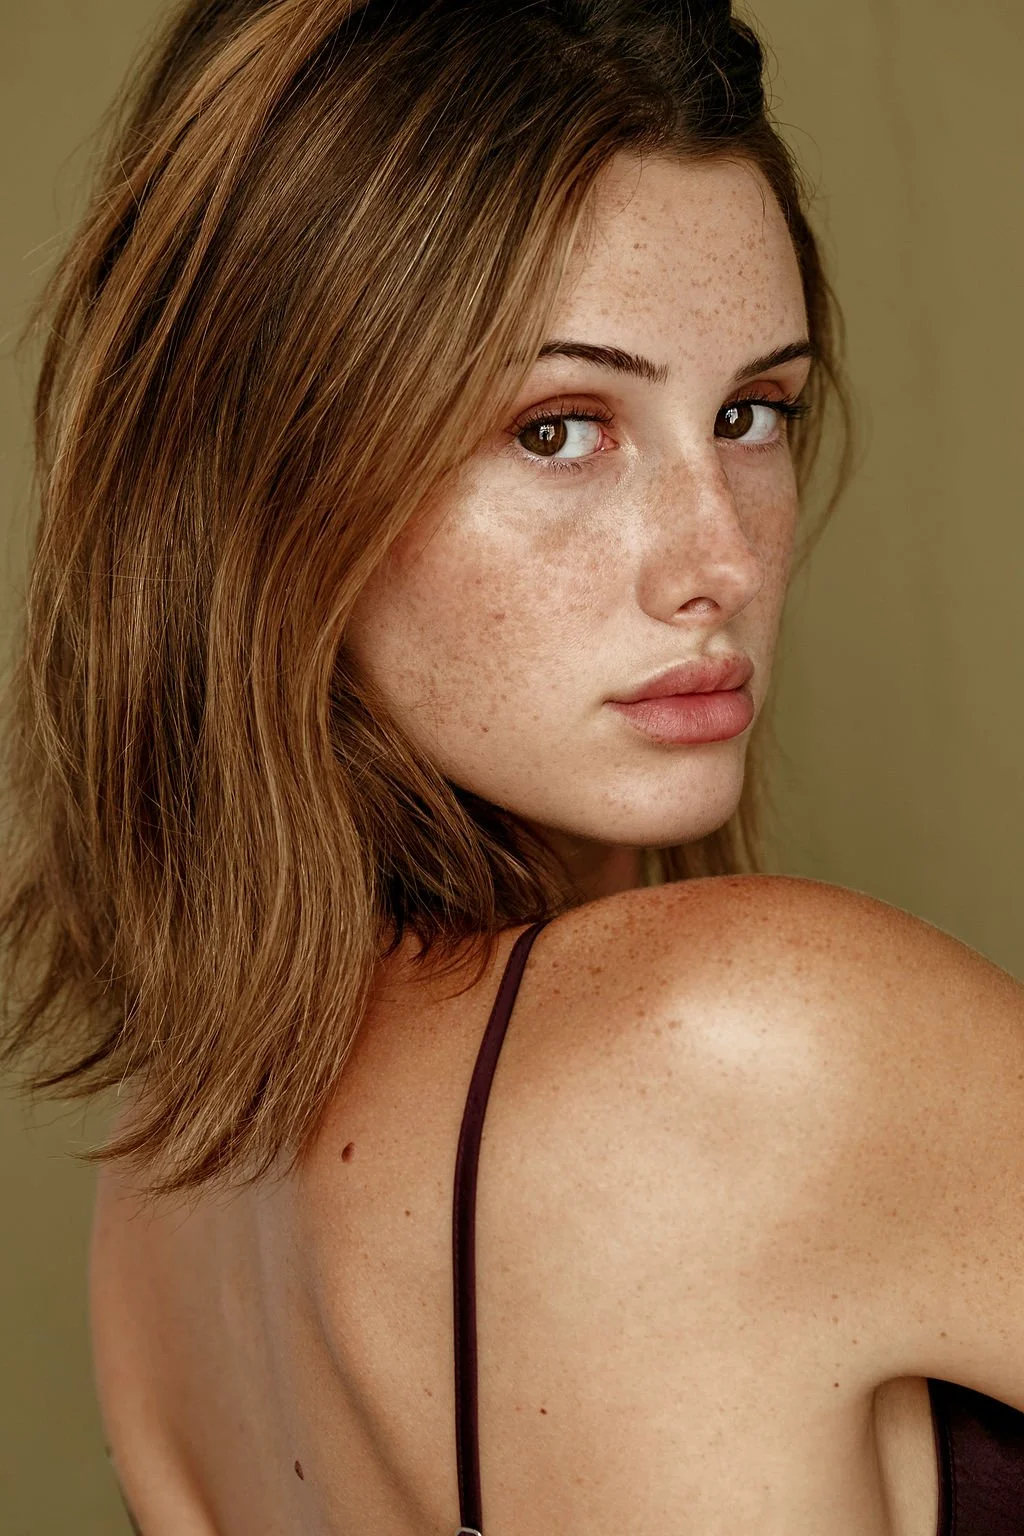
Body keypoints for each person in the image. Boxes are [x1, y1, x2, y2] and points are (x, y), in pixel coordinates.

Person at [2, 0, 1022, 1532]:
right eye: (561, 429)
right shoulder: (751, 1037)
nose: (720, 558)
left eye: (752, 413)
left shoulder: (171, 1175)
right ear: (275, 481)